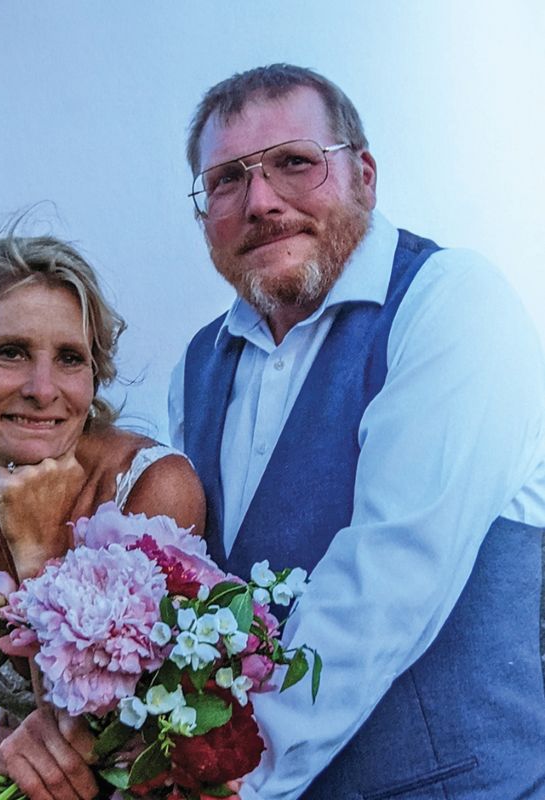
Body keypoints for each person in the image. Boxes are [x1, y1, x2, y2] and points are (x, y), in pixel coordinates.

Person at [169, 64, 545, 798]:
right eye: (225, 181)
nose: (261, 202)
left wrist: (228, 777)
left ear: (363, 175)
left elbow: (394, 569)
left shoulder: (450, 301)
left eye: (294, 163)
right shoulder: (195, 365)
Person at [0, 232, 205, 800]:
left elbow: (91, 747)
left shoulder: (156, 488)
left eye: (69, 359)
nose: (42, 389)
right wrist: (0, 752)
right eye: (10, 351)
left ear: (92, 379)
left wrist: (35, 554)